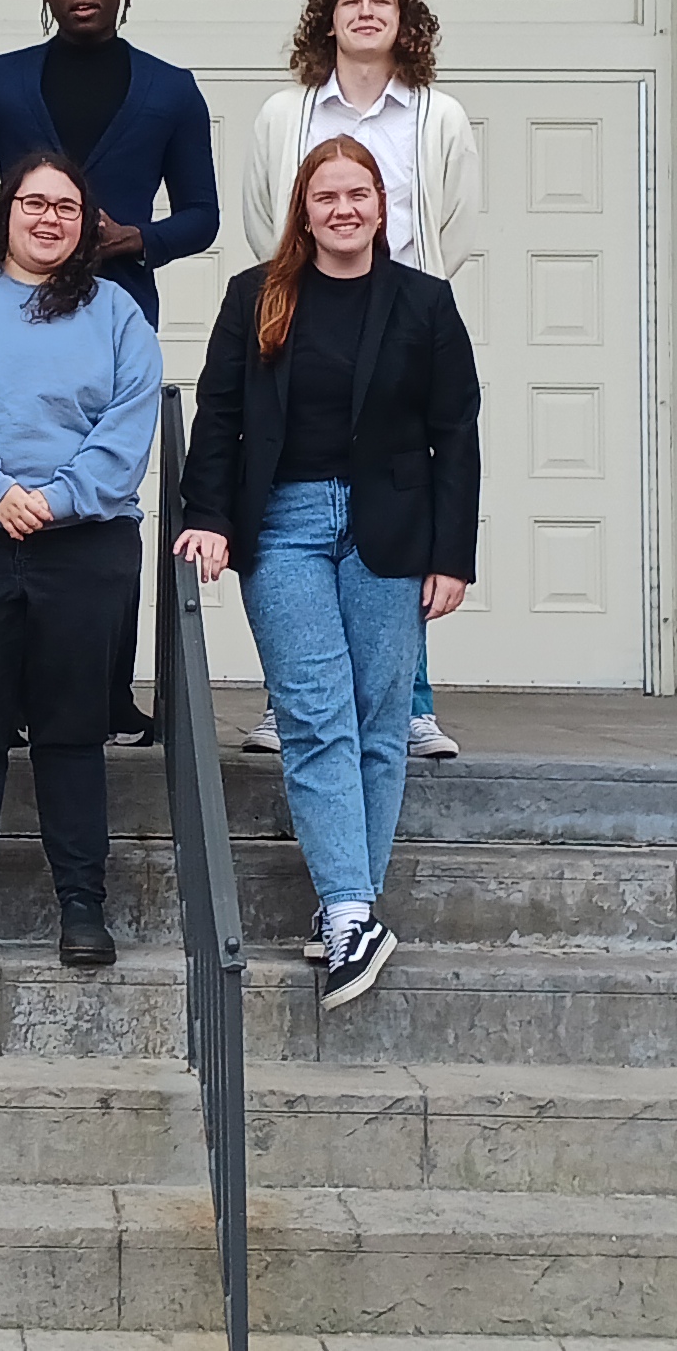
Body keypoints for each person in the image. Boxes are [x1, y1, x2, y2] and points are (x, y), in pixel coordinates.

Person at [175, 137, 481, 1009]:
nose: (342, 209)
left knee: (382, 721)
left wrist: (452, 556)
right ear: (302, 211)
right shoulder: (255, 297)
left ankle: (349, 909)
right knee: (314, 713)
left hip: (392, 532)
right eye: (325, 197)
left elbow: (456, 433)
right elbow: (221, 415)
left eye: (358, 194)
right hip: (287, 527)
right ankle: (351, 905)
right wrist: (209, 517)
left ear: (382, 206)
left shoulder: (424, 303)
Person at [0, 0, 217, 746]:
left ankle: (106, 695)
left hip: (118, 307)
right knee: (9, 493)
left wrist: (135, 239)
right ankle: (16, 697)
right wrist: (30, 227)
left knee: (101, 507)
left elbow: (201, 214)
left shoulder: (171, 90)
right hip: (7, 309)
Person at [0, 153, 164, 970]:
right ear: (3, 211)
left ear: (86, 225)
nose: (48, 218)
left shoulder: (116, 313)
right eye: (33, 203)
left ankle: (83, 907)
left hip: (82, 544)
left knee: (72, 728)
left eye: (68, 208)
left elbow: (128, 422)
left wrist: (59, 499)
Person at [234, 0, 482, 761]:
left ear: (404, 20)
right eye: (351, 0)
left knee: (399, 507)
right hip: (308, 320)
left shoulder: (438, 116)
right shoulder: (285, 113)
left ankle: (408, 705)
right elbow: (263, 211)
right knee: (292, 510)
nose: (367, 11)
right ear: (328, 20)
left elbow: (458, 225)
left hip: (402, 329)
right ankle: (286, 702)